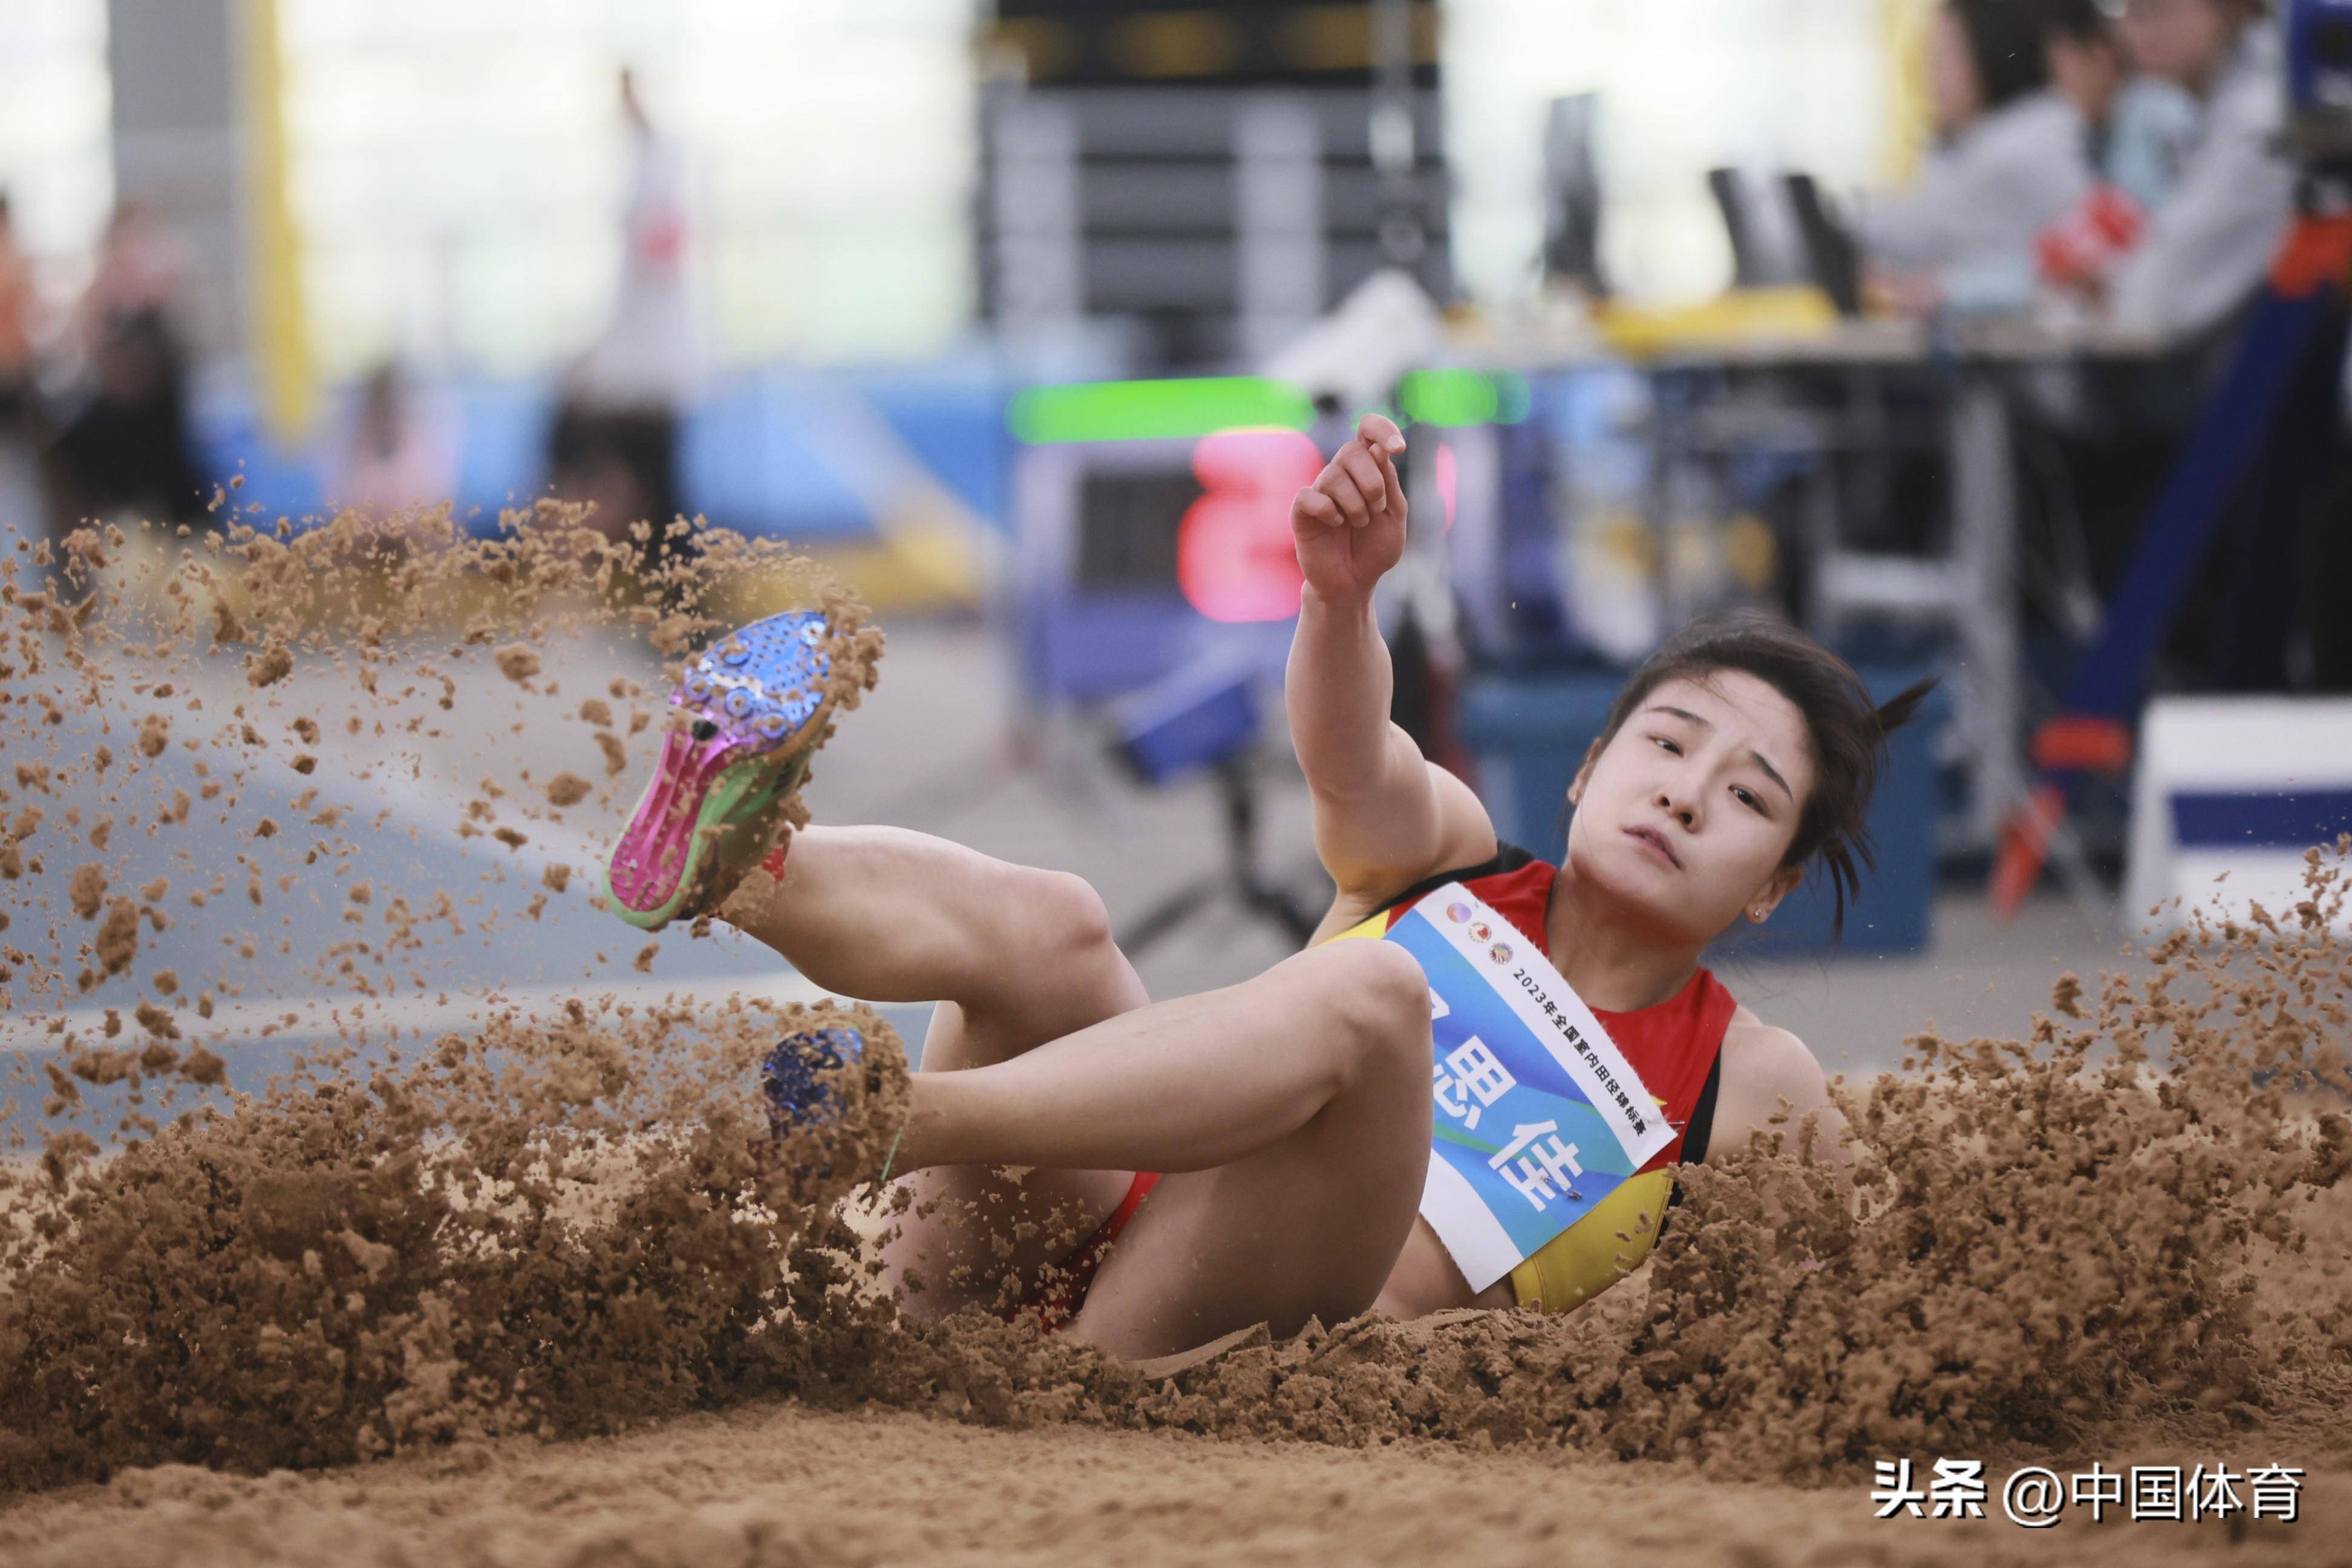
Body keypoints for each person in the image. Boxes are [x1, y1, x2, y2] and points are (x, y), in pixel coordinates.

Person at [600, 417, 1919, 1359]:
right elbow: (1349, 760)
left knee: (1370, 999)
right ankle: (744, 865)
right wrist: (1338, 605)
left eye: (1747, 798)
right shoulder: (1455, 857)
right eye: (1670, 744)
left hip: (1216, 1346)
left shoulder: (1748, 1084)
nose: (1687, 794)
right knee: (1057, 924)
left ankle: (893, 1115)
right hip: (1039, 1239)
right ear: (1587, 770)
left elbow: (1859, 1332)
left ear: (1772, 889)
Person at [1861, 0, 2096, 314]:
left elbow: (1919, 229)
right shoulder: (1967, 146)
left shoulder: (2023, 144)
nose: (1931, 77)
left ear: (1990, 50)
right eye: (1928, 59)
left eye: (1944, 57)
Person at [2103, 0, 2293, 339]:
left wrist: (2116, 289)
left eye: (2155, 10)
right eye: (2128, 14)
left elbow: (2150, 305)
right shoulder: (2227, 109)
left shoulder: (2257, 125)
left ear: (2228, 9)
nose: (2132, 33)